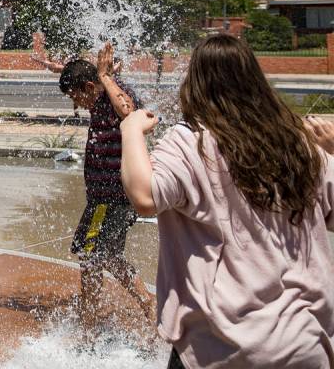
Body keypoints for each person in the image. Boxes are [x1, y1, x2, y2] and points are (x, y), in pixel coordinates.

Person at [120, 33, 334, 368]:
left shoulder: (191, 144)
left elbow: (145, 196)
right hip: (305, 342)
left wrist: (130, 130)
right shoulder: (300, 145)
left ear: (195, 83)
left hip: (223, 346)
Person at [43, 43, 155, 330]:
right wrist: (66, 68)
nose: (77, 103)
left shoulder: (110, 94)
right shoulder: (98, 97)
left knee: (88, 254)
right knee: (108, 255)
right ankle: (147, 302)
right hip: (109, 197)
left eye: (76, 95)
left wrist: (105, 76)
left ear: (90, 85)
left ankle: (89, 321)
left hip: (109, 197)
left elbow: (129, 111)